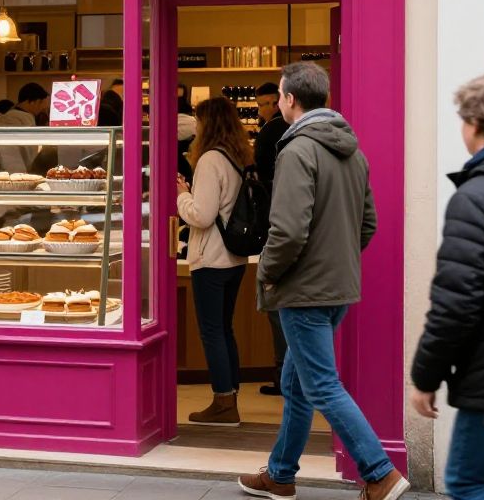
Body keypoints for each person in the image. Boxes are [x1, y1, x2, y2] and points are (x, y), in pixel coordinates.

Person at [239, 62, 408, 500]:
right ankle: (280, 474)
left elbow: (289, 230)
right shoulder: (353, 151)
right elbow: (367, 224)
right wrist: (336, 262)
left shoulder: (296, 151)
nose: (277, 101)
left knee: (321, 385)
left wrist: (269, 272)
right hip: (337, 288)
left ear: (290, 100)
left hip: (304, 289)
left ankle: (379, 472)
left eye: (279, 95)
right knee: (298, 383)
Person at [410, 72, 484, 500]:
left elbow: (456, 304)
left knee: (468, 480)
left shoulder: (477, 197)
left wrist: (425, 376)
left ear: (474, 125)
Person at [175, 96, 251, 426]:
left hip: (211, 257)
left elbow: (202, 215)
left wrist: (181, 194)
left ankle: (223, 403)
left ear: (209, 124)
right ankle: (229, 396)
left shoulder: (209, 160)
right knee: (224, 328)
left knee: (211, 331)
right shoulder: (237, 156)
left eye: (199, 119)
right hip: (235, 257)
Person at [252, 81, 289, 397]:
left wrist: (269, 266)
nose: (265, 109)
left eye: (268, 102)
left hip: (276, 237)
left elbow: (264, 178)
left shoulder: (269, 134)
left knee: (278, 312)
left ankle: (285, 378)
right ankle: (290, 380)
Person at [0, 83, 50, 172]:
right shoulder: (25, 117)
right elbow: (31, 152)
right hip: (15, 169)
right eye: (40, 105)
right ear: (32, 102)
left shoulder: (8, 115)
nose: (41, 110)